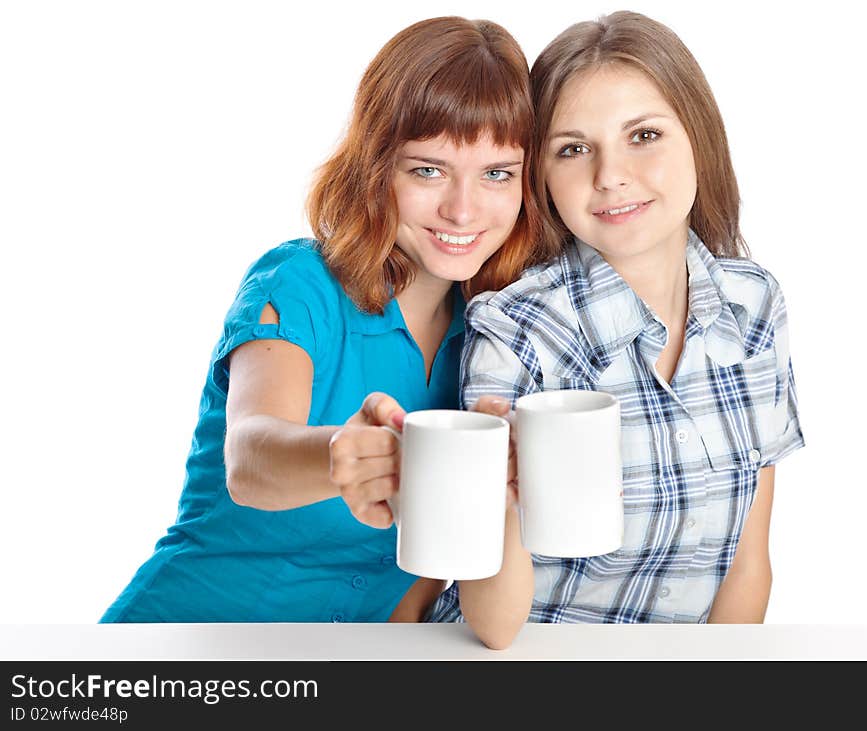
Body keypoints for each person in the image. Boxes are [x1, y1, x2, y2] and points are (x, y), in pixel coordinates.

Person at [100, 16, 545, 647]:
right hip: (176, 649)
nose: (462, 210)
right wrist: (341, 455)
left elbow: (419, 589)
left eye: (497, 173)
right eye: (427, 170)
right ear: (376, 167)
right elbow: (250, 457)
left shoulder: (495, 338)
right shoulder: (299, 281)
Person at [427, 10, 805, 625]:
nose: (610, 176)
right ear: (540, 177)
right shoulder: (514, 329)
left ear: (699, 138)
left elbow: (748, 562)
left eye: (644, 135)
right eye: (573, 150)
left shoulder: (753, 304)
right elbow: (493, 627)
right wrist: (498, 495)